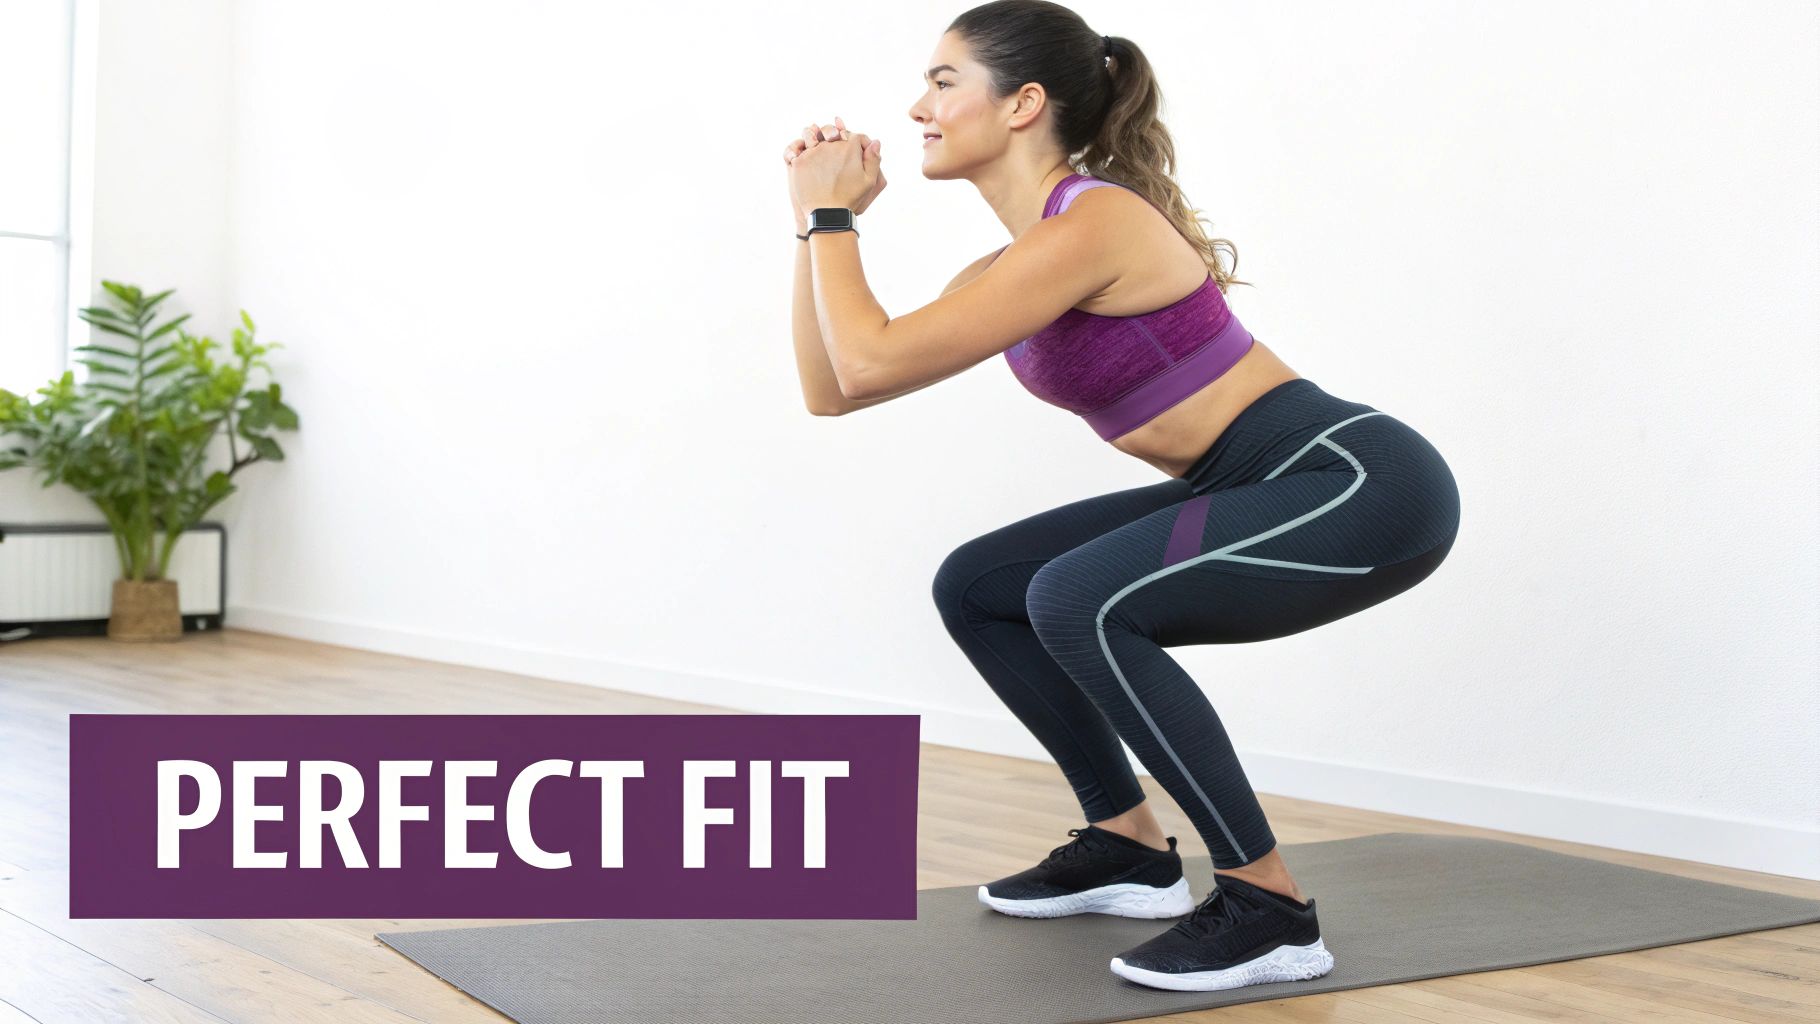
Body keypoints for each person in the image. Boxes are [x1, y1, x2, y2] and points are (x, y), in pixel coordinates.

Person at [783, 0, 1460, 994]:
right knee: (980, 586)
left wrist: (834, 217)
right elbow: (836, 387)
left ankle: (1269, 908)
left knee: (1075, 597)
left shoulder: (1094, 220)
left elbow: (867, 359)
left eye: (941, 81)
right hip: (1251, 482)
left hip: (1356, 482)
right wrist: (811, 225)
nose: (917, 106)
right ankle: (1129, 846)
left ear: (1022, 104)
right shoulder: (1010, 263)